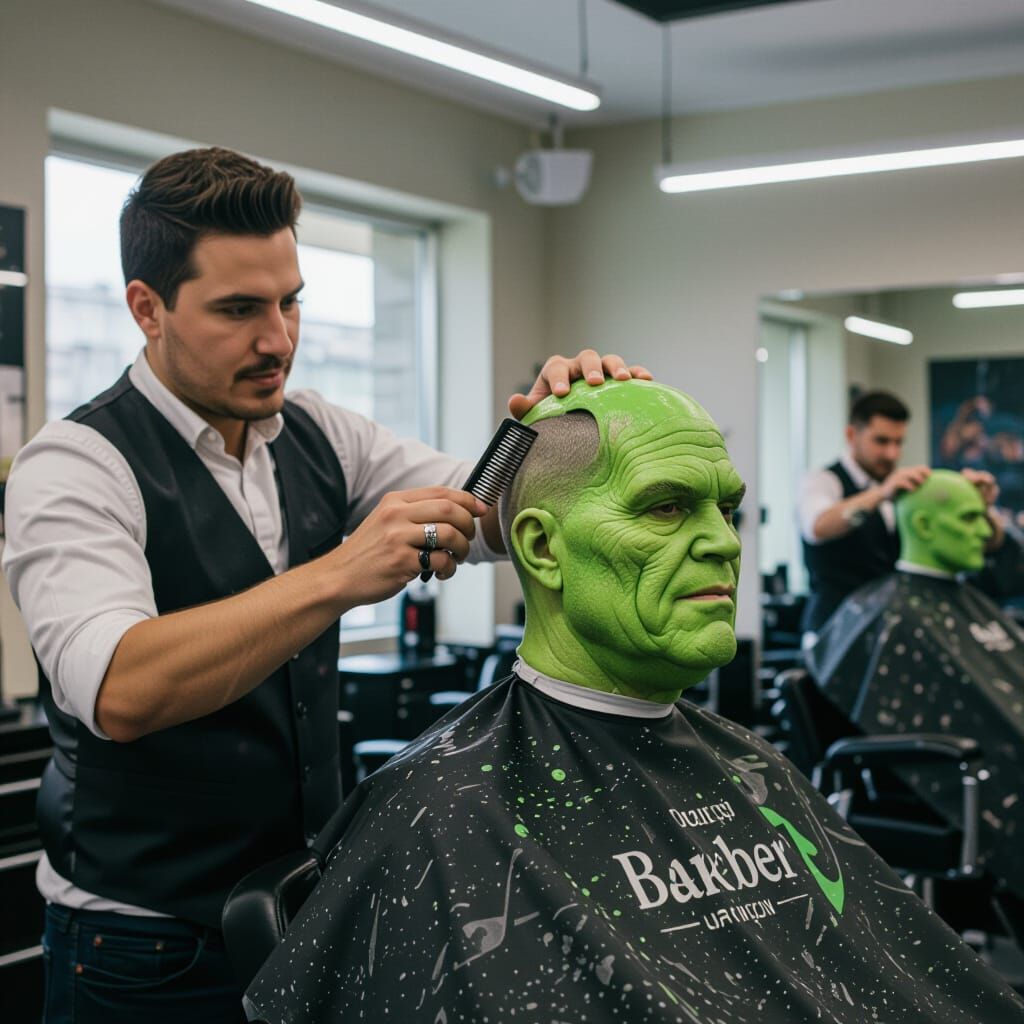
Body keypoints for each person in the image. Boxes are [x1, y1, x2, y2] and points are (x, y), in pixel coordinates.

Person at [0, 146, 653, 1023]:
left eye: (289, 301)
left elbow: (484, 510)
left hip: (299, 906)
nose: (277, 339)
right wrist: (344, 572)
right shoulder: (75, 467)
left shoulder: (312, 431)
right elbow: (120, 688)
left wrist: (548, 434)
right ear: (146, 309)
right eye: (238, 310)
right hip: (142, 950)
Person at [244, 379, 1023, 1024]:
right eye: (664, 507)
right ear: (544, 550)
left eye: (725, 508)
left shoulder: (749, 764)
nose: (723, 542)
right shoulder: (443, 811)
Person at [808, 469, 1024, 911]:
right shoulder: (887, 615)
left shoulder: (966, 596)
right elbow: (817, 525)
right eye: (969, 519)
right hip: (936, 784)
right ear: (924, 526)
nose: (985, 532)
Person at [797, 390, 1005, 635]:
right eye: (881, 441)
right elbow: (817, 527)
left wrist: (981, 506)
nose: (892, 454)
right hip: (832, 635)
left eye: (898, 442)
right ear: (852, 435)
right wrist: (882, 493)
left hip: (885, 627)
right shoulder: (823, 481)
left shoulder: (905, 488)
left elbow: (989, 542)